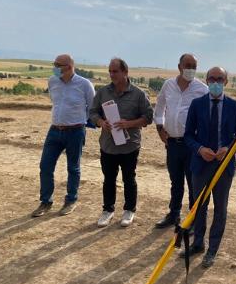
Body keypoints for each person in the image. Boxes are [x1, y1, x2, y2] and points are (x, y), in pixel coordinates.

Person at [182, 66, 236, 268]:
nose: (215, 82)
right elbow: (188, 135)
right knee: (199, 207)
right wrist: (200, 149)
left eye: (220, 79)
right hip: (200, 165)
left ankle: (212, 249)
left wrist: (228, 148)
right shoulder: (197, 104)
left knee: (220, 209)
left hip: (224, 167)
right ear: (206, 80)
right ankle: (198, 243)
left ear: (226, 82)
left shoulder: (235, 107)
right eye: (212, 79)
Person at [89, 58, 153, 228]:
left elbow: (148, 117)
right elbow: (92, 112)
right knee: (108, 179)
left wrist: (129, 124)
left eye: (115, 71)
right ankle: (108, 210)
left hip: (129, 146)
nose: (112, 74)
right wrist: (101, 123)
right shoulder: (103, 92)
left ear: (125, 72)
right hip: (108, 145)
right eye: (110, 71)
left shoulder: (139, 94)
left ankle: (129, 210)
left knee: (129, 178)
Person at [32, 54, 95, 217]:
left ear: (69, 67)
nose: (54, 67)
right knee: (45, 166)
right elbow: (55, 101)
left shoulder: (84, 84)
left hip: (75, 131)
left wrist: (81, 121)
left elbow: (92, 108)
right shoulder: (53, 81)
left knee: (73, 167)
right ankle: (46, 202)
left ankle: (71, 200)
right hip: (54, 130)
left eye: (57, 65)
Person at [153, 53, 208, 228]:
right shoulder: (168, 85)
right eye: (187, 65)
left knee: (193, 184)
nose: (190, 69)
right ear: (179, 66)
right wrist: (160, 128)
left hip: (192, 145)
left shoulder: (202, 89)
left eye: (194, 66)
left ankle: (192, 220)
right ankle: (174, 215)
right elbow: (160, 106)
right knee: (175, 182)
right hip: (172, 143)